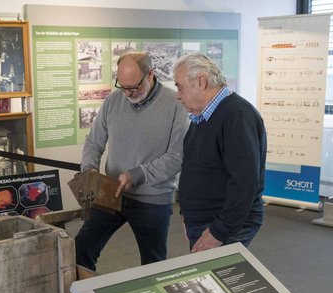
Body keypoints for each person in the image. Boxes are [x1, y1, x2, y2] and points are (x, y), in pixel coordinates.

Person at [75, 51, 189, 271]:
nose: (127, 94)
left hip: (152, 198)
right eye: (122, 86)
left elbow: (177, 157)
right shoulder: (113, 100)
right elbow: (94, 141)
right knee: (81, 250)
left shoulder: (175, 104)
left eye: (134, 87)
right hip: (111, 193)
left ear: (150, 75)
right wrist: (89, 168)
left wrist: (137, 174)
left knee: (152, 266)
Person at [173, 53, 267, 253]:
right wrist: (187, 213)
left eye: (180, 87)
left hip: (222, 225)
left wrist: (218, 232)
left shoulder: (236, 115)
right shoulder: (203, 116)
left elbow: (244, 181)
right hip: (205, 221)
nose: (177, 95)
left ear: (201, 81)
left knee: (215, 282)